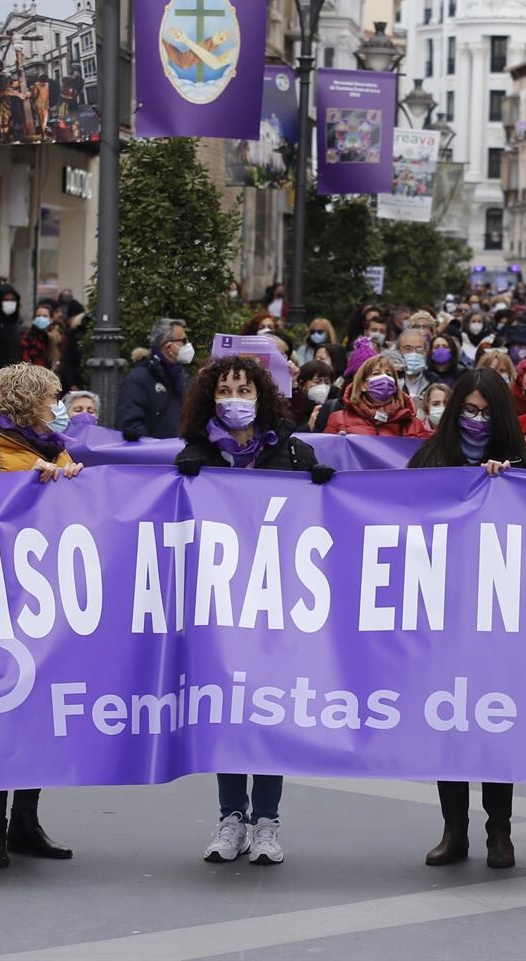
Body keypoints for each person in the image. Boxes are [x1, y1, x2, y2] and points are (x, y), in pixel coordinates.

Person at [175, 355, 327, 867]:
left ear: (260, 395)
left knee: (268, 711)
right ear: (210, 398)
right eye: (225, 390)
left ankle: (267, 822)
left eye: (243, 389)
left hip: (275, 602)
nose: (234, 398)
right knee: (225, 711)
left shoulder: (290, 450)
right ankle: (230, 819)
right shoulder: (196, 455)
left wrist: (323, 485)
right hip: (218, 605)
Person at [0, 363, 83, 868]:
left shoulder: (51, 446)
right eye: (52, 397)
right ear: (26, 400)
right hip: (1, 598)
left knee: (38, 712)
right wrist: (30, 485)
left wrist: (70, 480)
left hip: (45, 595)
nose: (58, 405)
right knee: (3, 708)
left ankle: (26, 821)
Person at [409, 368, 526, 868]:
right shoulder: (429, 460)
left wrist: (510, 486)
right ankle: (454, 830)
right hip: (443, 613)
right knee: (450, 724)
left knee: (495, 725)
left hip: (499, 617)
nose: (477, 421)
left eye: (486, 412)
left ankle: (499, 832)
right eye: (469, 410)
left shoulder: (522, 465)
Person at [117, 317, 192, 441]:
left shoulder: (182, 378)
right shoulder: (138, 379)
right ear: (169, 347)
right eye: (184, 341)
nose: (188, 345)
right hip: (156, 458)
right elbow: (130, 426)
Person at [325, 353, 428, 437]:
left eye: (389, 374)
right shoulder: (339, 420)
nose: (384, 378)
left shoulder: (411, 423)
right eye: (376, 374)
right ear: (363, 385)